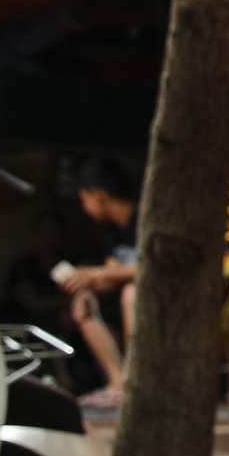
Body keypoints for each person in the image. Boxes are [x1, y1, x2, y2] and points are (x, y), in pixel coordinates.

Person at [59, 157, 138, 404]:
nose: (84, 207)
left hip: (160, 301)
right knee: (84, 303)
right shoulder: (113, 230)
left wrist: (97, 274)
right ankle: (118, 382)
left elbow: (154, 269)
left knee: (131, 295)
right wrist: (85, 283)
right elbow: (112, 273)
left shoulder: (145, 217)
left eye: (84, 199)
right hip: (123, 301)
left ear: (98, 194)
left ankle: (138, 381)